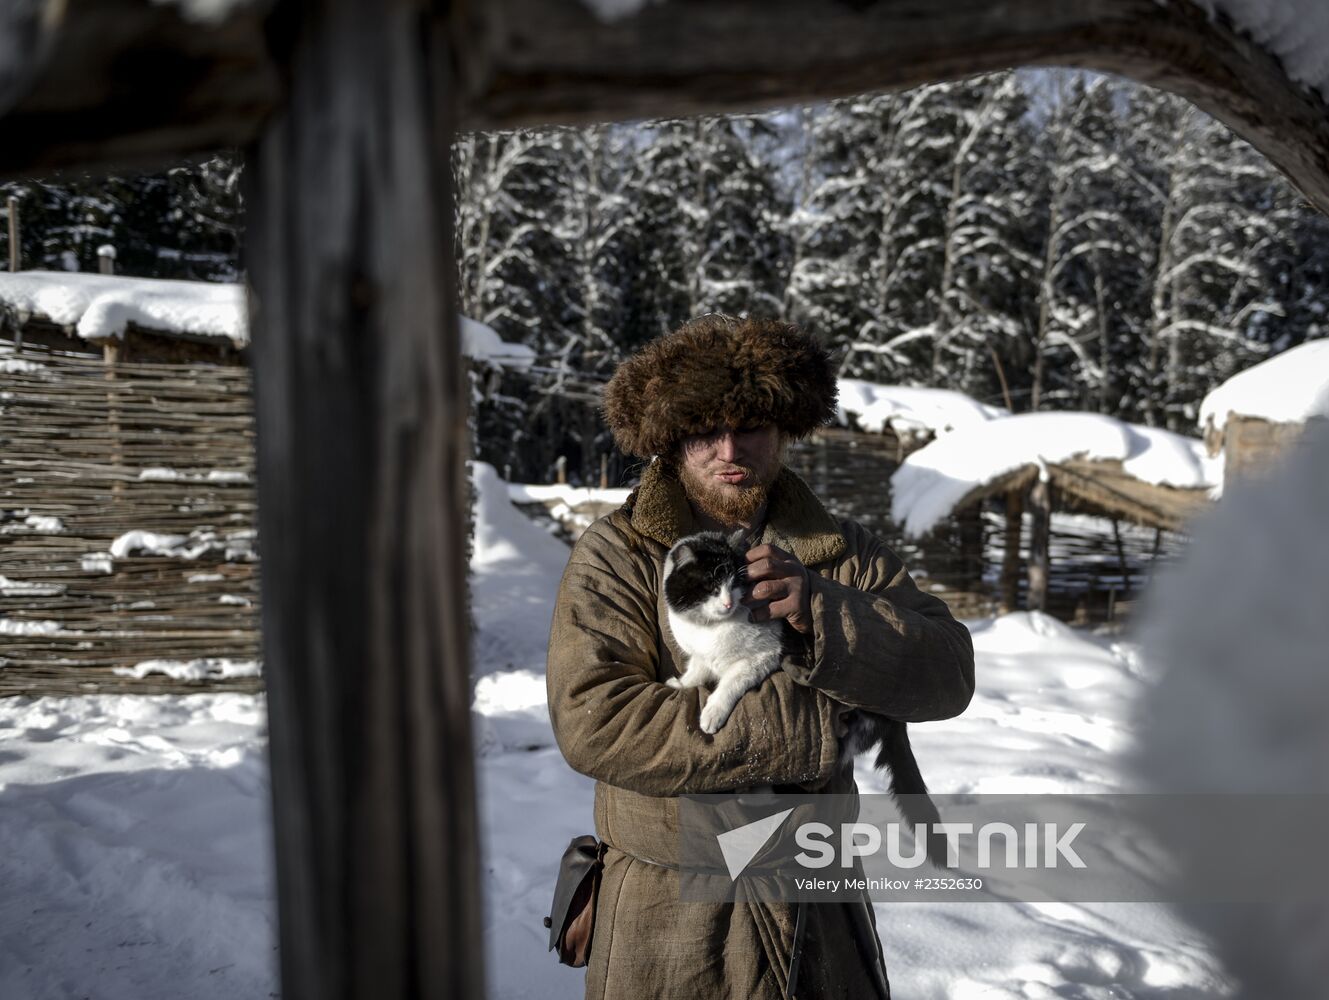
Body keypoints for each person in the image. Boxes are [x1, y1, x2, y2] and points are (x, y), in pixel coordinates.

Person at [546, 313, 975, 999]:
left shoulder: (842, 553)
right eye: (703, 430)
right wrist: (811, 726)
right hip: (670, 917)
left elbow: (947, 674)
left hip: (819, 913)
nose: (729, 449)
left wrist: (822, 614)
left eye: (750, 425)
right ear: (670, 438)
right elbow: (595, 720)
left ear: (784, 429)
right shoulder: (618, 554)